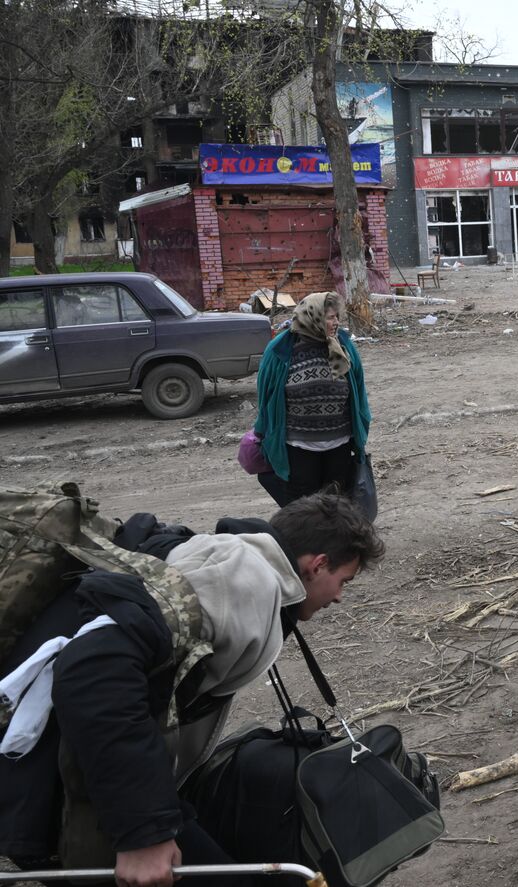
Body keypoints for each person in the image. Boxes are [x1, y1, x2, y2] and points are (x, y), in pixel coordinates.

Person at [0, 493, 384, 887]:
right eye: (344, 581)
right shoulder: (238, 582)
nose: (339, 596)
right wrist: (145, 832)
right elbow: (91, 671)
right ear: (318, 565)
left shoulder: (221, 558)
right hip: (53, 787)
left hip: (79, 771)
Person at [254, 293, 370, 507]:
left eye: (337, 317)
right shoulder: (281, 349)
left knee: (338, 505)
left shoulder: (342, 343)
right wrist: (261, 431)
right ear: (312, 317)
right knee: (304, 508)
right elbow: (266, 395)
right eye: (329, 317)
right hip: (298, 447)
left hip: (340, 443)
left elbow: (358, 387)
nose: (335, 322)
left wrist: (362, 427)